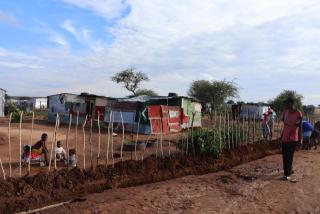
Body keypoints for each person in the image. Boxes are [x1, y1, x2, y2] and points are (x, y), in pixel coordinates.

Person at [281, 97, 302, 182]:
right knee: (284, 156)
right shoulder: (285, 112)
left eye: (287, 103)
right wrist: (282, 135)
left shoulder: (298, 113)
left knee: (289, 156)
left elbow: (300, 127)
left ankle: (287, 175)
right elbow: (285, 125)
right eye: (285, 103)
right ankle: (289, 170)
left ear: (292, 103)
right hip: (284, 138)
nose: (285, 105)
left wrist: (300, 140)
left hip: (292, 138)